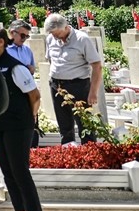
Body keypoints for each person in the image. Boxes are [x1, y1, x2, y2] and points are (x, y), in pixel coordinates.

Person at [0, 26, 44, 211]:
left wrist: (32, 118)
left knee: (20, 170)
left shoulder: (15, 67)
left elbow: (34, 95)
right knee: (7, 170)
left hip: (19, 125)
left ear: (2, 41)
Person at [44, 12, 104, 145]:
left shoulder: (82, 39)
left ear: (65, 27)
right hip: (57, 86)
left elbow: (97, 66)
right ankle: (68, 152)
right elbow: (51, 60)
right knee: (64, 125)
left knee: (85, 124)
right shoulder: (50, 39)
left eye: (56, 33)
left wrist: (93, 92)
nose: (54, 36)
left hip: (78, 85)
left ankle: (89, 152)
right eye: (51, 33)